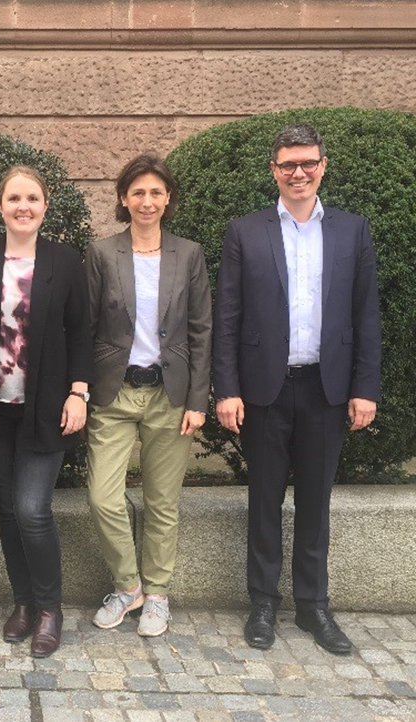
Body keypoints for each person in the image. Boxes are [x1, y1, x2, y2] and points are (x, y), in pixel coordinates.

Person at [213, 123, 381, 654]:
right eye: (288, 164)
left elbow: (366, 316)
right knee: (263, 501)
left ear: (323, 166)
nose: (298, 172)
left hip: (326, 391)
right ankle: (262, 604)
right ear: (274, 171)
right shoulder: (246, 231)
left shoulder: (352, 231)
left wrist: (365, 387)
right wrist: (227, 388)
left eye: (308, 162)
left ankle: (313, 607)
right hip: (264, 391)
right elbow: (228, 318)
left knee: (316, 503)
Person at [0, 166, 93, 658]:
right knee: (9, 511)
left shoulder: (65, 261)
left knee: (32, 509)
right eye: (14, 198)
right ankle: (24, 603)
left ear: (45, 205)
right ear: (0, 205)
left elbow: (82, 332)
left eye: (32, 198)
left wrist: (79, 392)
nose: (23, 206)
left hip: (46, 410)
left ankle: (51, 608)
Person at [85, 153, 212, 637]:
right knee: (102, 497)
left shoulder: (189, 254)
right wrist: (82, 387)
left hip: (171, 394)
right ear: (123, 198)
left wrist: (199, 401)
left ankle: (157, 594)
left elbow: (201, 329)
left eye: (156, 192)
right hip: (114, 393)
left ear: (168, 199)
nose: (147, 200)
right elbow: (87, 325)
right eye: (138, 191)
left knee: (163, 502)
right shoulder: (101, 253)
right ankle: (128, 585)